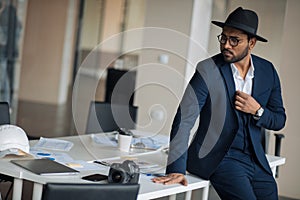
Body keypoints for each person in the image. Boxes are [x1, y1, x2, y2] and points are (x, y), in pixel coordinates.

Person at [152, 7, 286, 200]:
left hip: (256, 159)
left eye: (235, 40)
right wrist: (176, 167)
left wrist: (258, 110)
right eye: (223, 38)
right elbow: (185, 119)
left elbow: (279, 119)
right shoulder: (208, 69)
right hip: (221, 159)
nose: (226, 45)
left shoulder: (268, 71)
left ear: (252, 43)